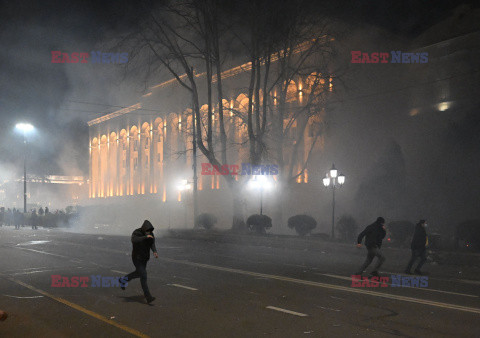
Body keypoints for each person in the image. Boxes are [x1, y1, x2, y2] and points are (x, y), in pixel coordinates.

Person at [121, 220, 158, 304]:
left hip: (145, 258)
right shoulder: (137, 232)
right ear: (143, 228)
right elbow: (134, 240)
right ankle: (148, 297)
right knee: (143, 275)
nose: (148, 232)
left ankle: (123, 280)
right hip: (137, 258)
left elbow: (152, 243)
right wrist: (145, 237)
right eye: (147, 230)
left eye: (150, 231)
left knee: (139, 273)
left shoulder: (150, 234)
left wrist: (155, 251)